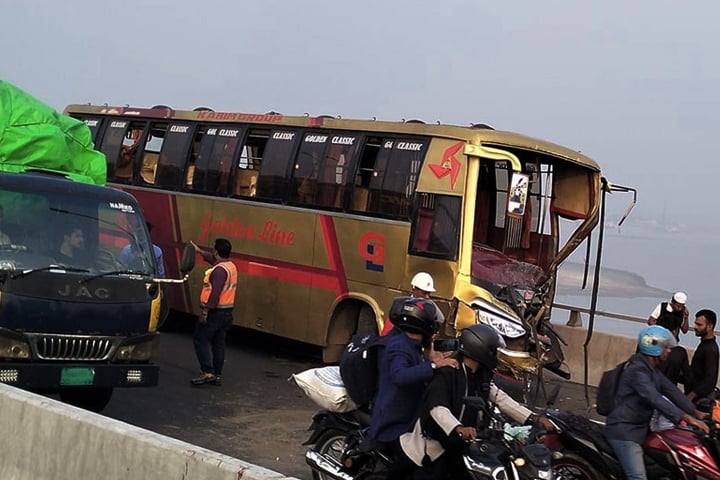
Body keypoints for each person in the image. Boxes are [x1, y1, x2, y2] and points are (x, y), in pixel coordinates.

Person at [400, 324, 554, 479]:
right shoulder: (448, 373)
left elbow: (501, 398)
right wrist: (459, 428)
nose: (495, 355)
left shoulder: (481, 376)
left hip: (460, 446)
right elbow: (438, 409)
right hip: (432, 449)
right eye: (493, 350)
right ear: (479, 348)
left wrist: (534, 418)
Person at [367, 297, 458, 479]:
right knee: (418, 462)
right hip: (395, 423)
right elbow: (400, 375)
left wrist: (432, 358)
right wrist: (433, 366)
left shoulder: (414, 345)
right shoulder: (398, 346)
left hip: (410, 418)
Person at [605, 325, 709, 480]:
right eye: (666, 347)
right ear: (654, 348)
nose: (669, 351)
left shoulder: (651, 370)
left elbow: (672, 392)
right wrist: (687, 418)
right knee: (638, 477)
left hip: (642, 430)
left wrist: (697, 413)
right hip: (624, 433)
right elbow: (655, 398)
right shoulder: (637, 371)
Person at [189, 238, 238, 386]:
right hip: (227, 313)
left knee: (200, 339)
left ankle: (207, 371)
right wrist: (199, 251)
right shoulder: (230, 266)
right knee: (219, 343)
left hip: (215, 313)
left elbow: (215, 293)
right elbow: (212, 259)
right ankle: (217, 374)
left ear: (216, 252)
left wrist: (205, 311)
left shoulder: (219, 271)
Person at [686, 309, 719, 402]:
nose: (695, 327)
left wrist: (691, 395)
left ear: (710, 326)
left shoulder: (710, 349)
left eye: (699, 325)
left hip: (698, 398)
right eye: (695, 323)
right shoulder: (705, 344)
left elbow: (710, 379)